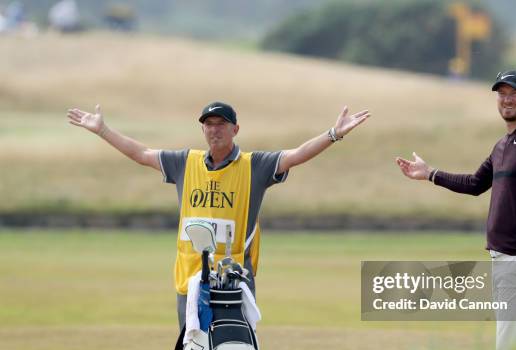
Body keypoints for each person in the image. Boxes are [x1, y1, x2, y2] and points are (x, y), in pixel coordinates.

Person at [67, 101, 370, 330]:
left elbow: (297, 154)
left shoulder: (255, 165)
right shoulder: (186, 162)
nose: (214, 129)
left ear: (235, 129)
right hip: (190, 278)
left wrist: (333, 134)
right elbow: (141, 154)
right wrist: (103, 130)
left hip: (234, 278)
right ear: (202, 129)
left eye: (221, 123)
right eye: (208, 124)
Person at [396, 70, 516, 350]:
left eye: (514, 93)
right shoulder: (501, 146)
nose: (507, 99)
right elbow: (475, 183)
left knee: (508, 348)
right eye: (501, 94)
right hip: (502, 259)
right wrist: (430, 173)